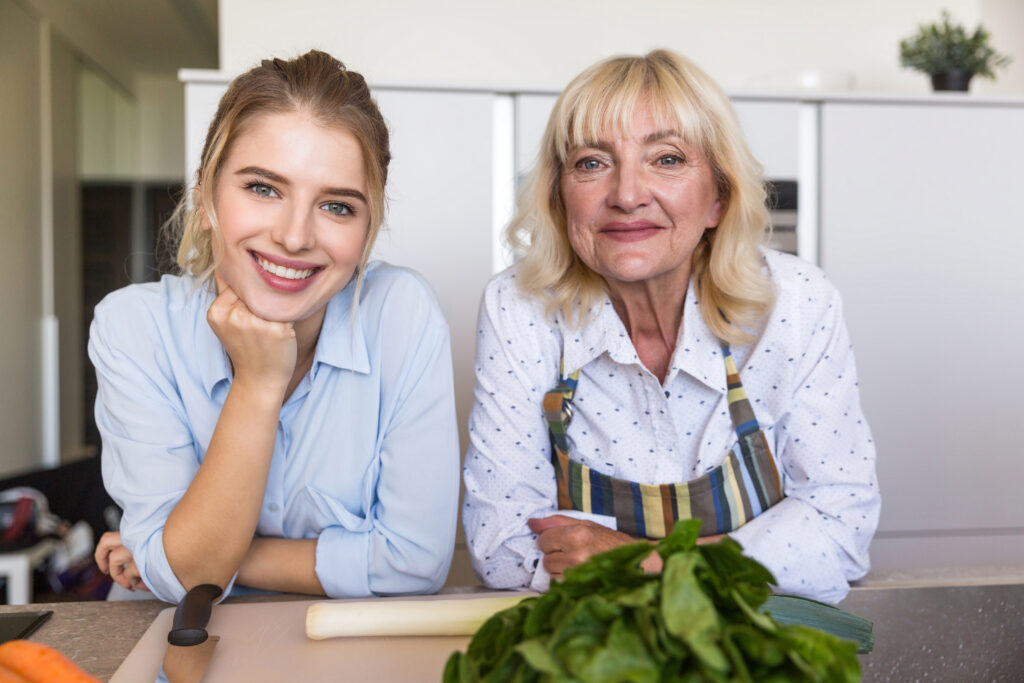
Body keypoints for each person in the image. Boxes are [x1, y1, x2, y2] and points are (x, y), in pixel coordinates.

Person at [462, 49, 879, 604]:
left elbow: (840, 524)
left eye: (667, 159)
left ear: (718, 199)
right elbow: (502, 545)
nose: (628, 194)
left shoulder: (797, 303)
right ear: (560, 200)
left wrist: (650, 561)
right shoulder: (518, 308)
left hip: (754, 640)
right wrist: (750, 552)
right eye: (592, 162)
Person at [91, 50, 459, 603]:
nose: (294, 236)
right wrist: (258, 384)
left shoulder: (401, 314)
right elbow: (188, 581)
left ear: (367, 229)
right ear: (207, 197)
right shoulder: (133, 329)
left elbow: (414, 565)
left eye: (337, 206)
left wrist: (170, 551)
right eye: (263, 188)